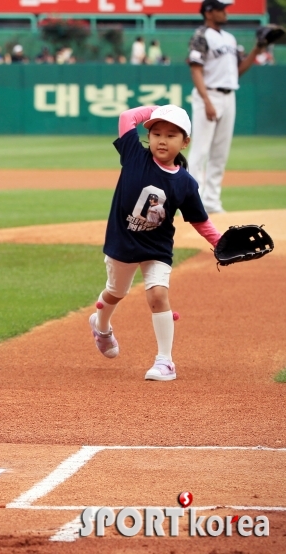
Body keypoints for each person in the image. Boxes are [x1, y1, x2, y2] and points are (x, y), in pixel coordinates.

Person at [89, 105, 222, 381]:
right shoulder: (134, 155)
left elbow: (199, 220)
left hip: (157, 248)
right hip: (122, 242)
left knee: (158, 295)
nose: (162, 139)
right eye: (156, 132)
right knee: (115, 293)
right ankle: (101, 327)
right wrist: (158, 109)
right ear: (148, 137)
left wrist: (219, 242)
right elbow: (127, 118)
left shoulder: (185, 183)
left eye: (172, 135)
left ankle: (165, 362)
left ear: (185, 142)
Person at [187, 0, 266, 214]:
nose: (225, 12)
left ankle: (212, 202)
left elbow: (237, 70)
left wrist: (257, 49)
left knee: (220, 153)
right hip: (209, 93)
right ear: (209, 12)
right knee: (200, 152)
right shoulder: (201, 35)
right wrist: (206, 100)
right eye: (221, 9)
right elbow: (196, 70)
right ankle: (192, 203)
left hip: (228, 95)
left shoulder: (229, 39)